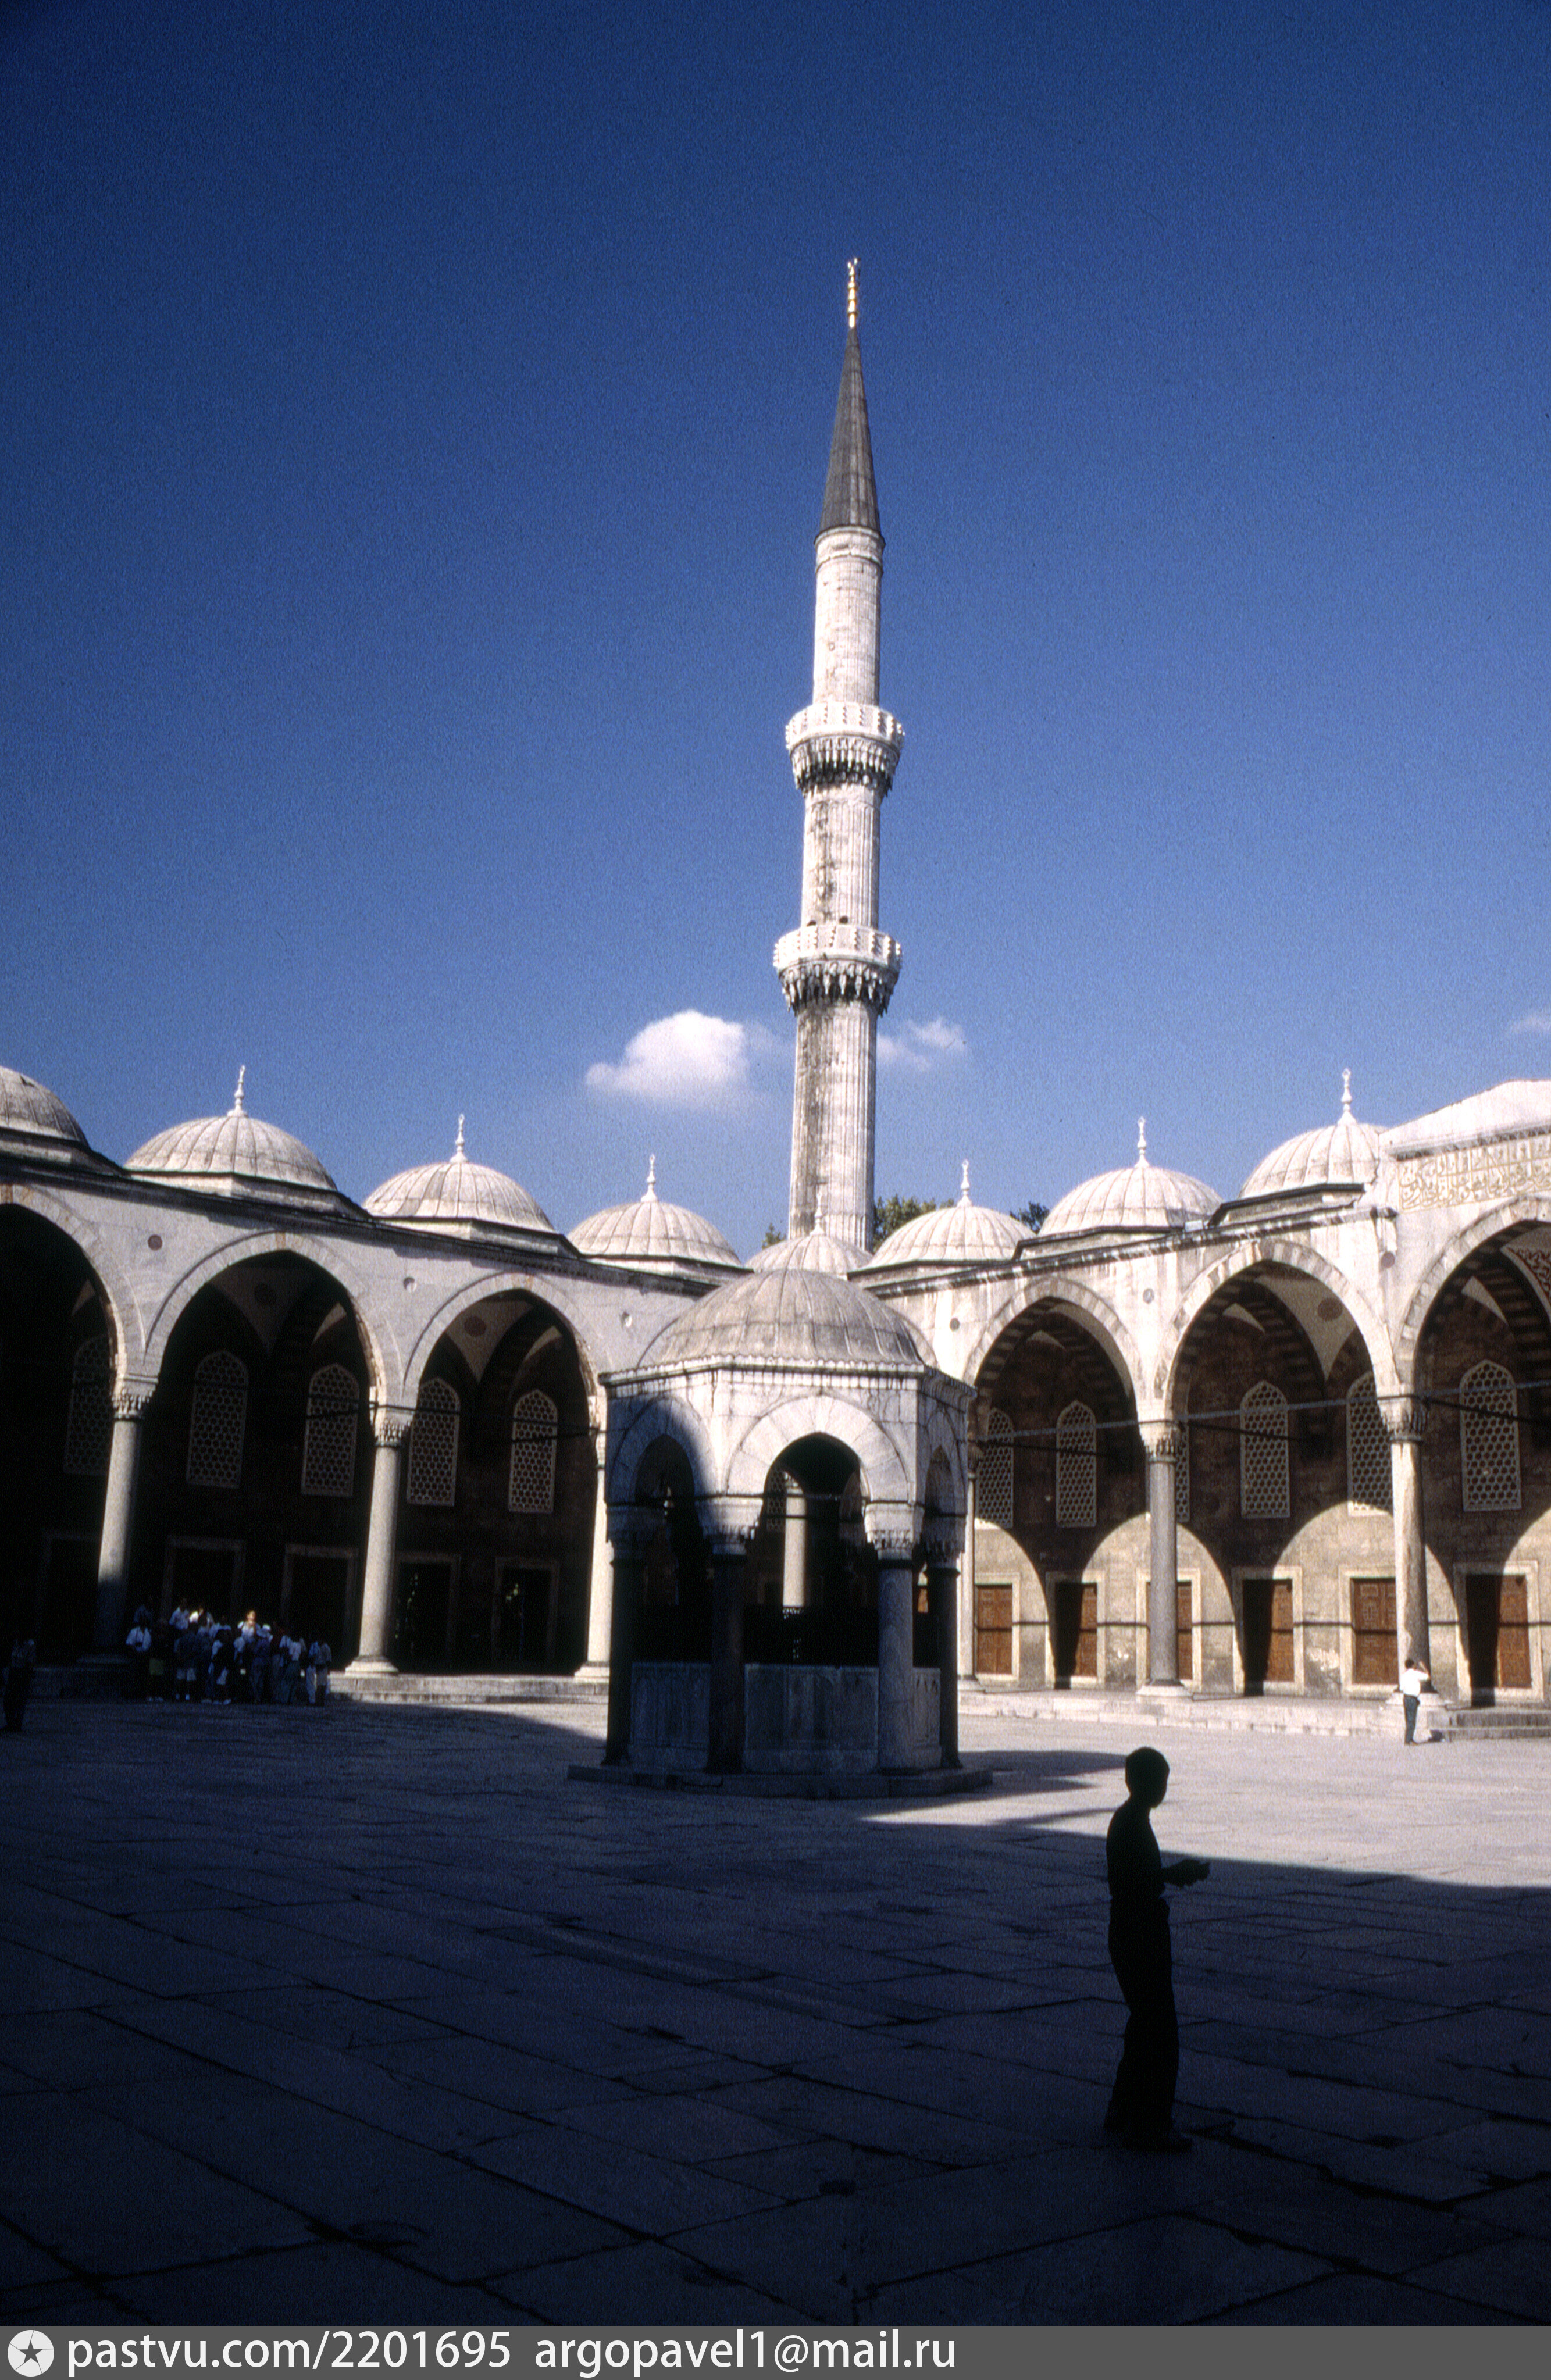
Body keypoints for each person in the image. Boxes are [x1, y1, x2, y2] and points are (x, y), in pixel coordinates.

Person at [1103, 1746, 1208, 2153]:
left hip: (1132, 1928)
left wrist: (1170, 1875)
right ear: (1142, 1783)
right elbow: (1132, 1881)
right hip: (1139, 1931)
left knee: (1144, 2023)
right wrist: (1173, 1874)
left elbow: (1137, 1876)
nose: (1163, 1789)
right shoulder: (1131, 1823)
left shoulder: (1130, 1819)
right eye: (1159, 1781)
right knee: (1160, 2030)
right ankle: (1151, 2123)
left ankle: (1123, 2107)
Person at [3, 1637, 37, 1733]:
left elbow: (30, 1662)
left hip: (23, 1674)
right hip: (14, 1672)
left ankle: (16, 1724)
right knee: (9, 1700)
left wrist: (29, 1673)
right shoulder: (16, 1642)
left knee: (20, 1701)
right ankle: (11, 1723)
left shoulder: (30, 1644)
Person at [1400, 1655, 1431, 1745]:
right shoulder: (1416, 1674)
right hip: (1413, 1698)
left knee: (1408, 1719)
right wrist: (1424, 1667)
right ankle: (1409, 1740)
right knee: (1412, 1719)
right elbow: (1428, 1677)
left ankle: (1408, 1738)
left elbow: (1401, 1688)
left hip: (1406, 1698)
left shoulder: (1403, 1676)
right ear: (1413, 1665)